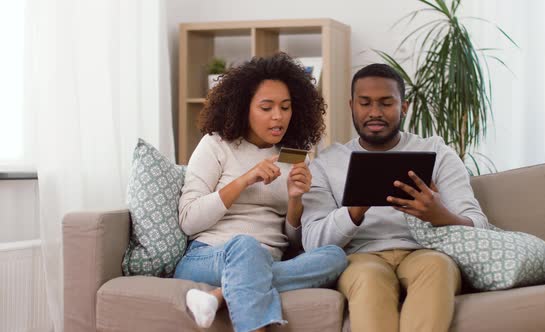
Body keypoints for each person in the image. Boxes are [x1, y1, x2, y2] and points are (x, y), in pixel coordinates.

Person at [301, 63, 490, 332]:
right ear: (351, 106)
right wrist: (354, 210)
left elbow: (479, 225)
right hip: (361, 257)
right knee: (369, 279)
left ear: (404, 107)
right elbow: (313, 243)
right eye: (365, 103)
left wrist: (439, 214)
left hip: (425, 252)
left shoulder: (437, 153)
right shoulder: (326, 163)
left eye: (386, 103)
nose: (375, 113)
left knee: (437, 267)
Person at [173, 52, 348, 332]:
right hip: (210, 255)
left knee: (335, 256)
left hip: (269, 258)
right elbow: (189, 220)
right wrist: (244, 180)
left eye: (286, 107)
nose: (278, 117)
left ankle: (217, 297)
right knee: (246, 246)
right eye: (266, 108)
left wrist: (295, 199)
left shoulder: (294, 156)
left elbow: (294, 243)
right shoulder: (216, 146)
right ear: (244, 108)